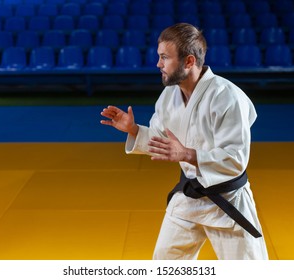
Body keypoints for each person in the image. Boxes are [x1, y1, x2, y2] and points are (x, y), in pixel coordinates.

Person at [100, 23, 268, 260]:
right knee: (165, 262)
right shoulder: (169, 95)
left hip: (228, 201)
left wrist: (187, 154)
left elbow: (235, 160)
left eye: (164, 57)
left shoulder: (227, 97)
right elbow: (163, 141)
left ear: (189, 61)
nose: (158, 64)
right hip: (189, 198)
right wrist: (135, 130)